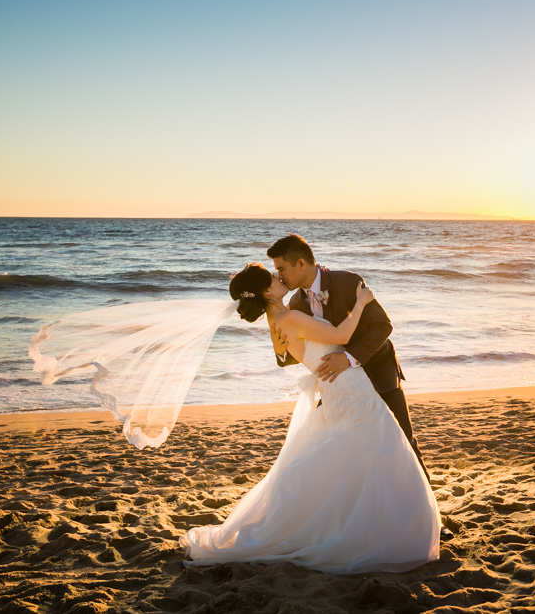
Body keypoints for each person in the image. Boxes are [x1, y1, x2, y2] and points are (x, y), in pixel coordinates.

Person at [179, 263, 441, 573]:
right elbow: (342, 335)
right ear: (265, 291)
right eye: (274, 277)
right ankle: (382, 527)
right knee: (381, 446)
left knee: (360, 451)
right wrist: (361, 302)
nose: (280, 278)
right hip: (347, 386)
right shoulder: (289, 316)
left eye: (279, 271)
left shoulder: (276, 320)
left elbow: (289, 354)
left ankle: (357, 522)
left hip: (334, 388)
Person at [267, 235, 430, 482]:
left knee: (404, 441)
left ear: (301, 264)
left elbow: (382, 326)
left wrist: (349, 358)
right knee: (324, 446)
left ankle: (429, 515)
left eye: (281, 268)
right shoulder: (295, 303)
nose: (278, 275)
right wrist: (281, 352)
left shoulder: (348, 282)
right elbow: (303, 352)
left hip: (377, 373)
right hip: (340, 387)